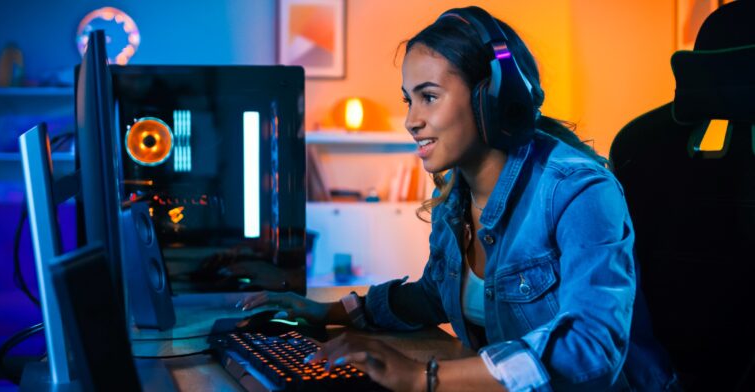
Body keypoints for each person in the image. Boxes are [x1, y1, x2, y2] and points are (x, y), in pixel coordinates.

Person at [240, 6, 678, 391]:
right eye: (408, 100)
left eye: (428, 97)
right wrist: (324, 312)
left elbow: (591, 349)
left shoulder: (579, 191)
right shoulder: (454, 193)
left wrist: (422, 378)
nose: (411, 121)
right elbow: (435, 295)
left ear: (493, 99)